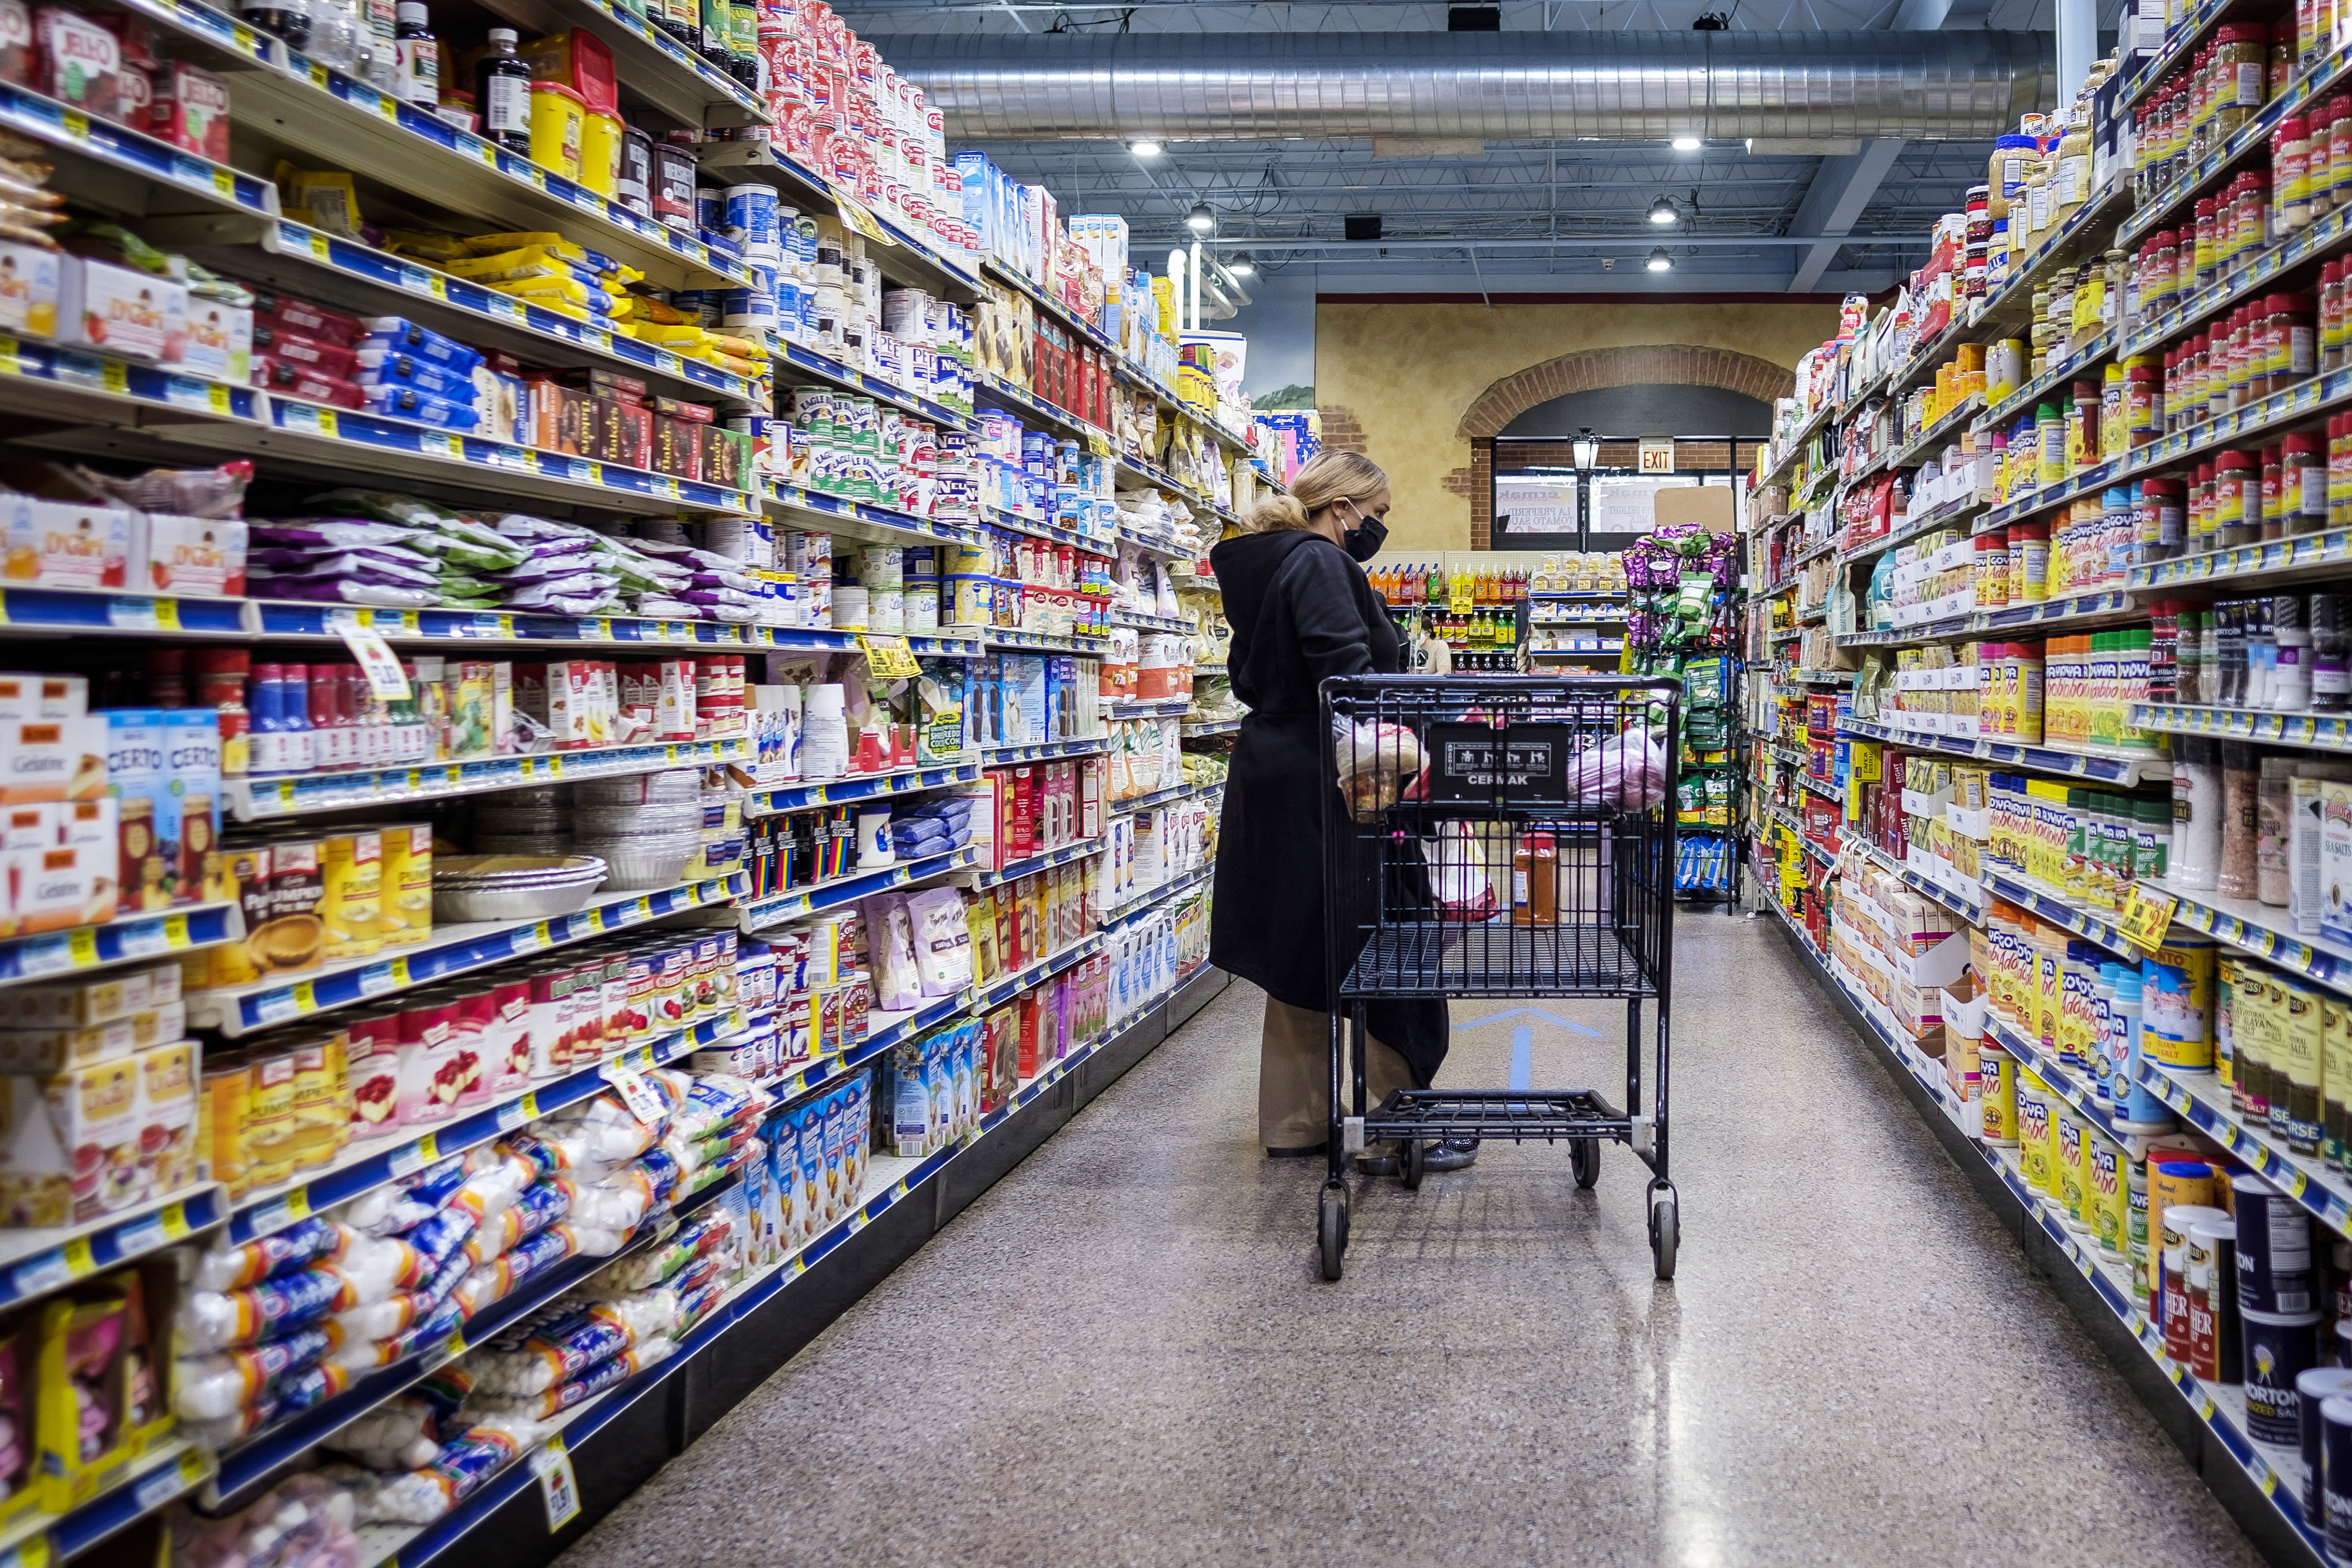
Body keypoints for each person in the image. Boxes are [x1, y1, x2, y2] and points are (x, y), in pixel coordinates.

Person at [1207, 451, 1469, 1173]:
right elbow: (1343, 674)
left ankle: (1298, 1122)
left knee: (1303, 943)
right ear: (1342, 506)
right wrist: (1406, 729)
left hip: (1277, 771)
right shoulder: (1321, 562)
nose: (1376, 527)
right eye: (1376, 514)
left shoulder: (1263, 564)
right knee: (1384, 933)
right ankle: (1393, 1121)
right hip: (1337, 779)